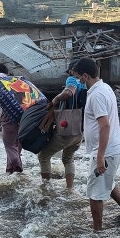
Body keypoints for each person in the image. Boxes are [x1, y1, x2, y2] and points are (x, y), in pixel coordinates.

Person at [73, 58, 120, 231]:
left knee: (95, 194)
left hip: (105, 151)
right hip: (112, 148)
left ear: (85, 76)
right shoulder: (104, 88)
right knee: (108, 182)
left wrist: (100, 156)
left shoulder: (97, 95)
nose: (78, 81)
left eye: (78, 78)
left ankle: (97, 231)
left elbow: (104, 125)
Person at [39, 60, 86, 189]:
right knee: (68, 158)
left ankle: (46, 188)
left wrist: (56, 99)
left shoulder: (71, 80)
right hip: (80, 130)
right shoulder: (87, 84)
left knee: (43, 156)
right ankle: (70, 189)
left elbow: (68, 93)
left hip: (68, 127)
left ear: (72, 71)